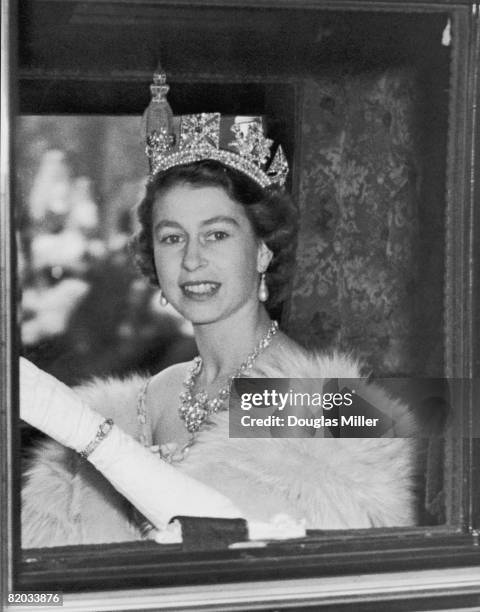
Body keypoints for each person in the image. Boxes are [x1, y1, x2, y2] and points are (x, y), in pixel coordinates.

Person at [20, 71, 418, 548]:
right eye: (172, 237)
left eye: (217, 234)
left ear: (263, 251)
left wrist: (82, 428)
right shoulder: (149, 398)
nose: (191, 259)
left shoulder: (324, 402)